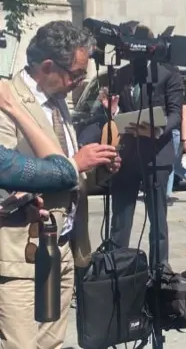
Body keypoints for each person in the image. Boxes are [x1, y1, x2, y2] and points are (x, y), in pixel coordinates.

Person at [0, 20, 119, 349]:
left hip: (62, 246)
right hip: (20, 251)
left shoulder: (58, 102)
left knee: (51, 344)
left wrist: (96, 169)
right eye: (76, 74)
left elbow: (69, 175)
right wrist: (75, 163)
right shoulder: (7, 100)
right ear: (48, 66)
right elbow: (7, 174)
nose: (79, 82)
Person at [107, 24, 184, 266]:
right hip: (128, 153)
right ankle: (115, 267)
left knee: (158, 220)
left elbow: (176, 113)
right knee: (121, 218)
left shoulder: (169, 74)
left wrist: (159, 128)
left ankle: (159, 271)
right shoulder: (122, 74)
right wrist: (112, 111)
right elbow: (117, 107)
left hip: (157, 154)